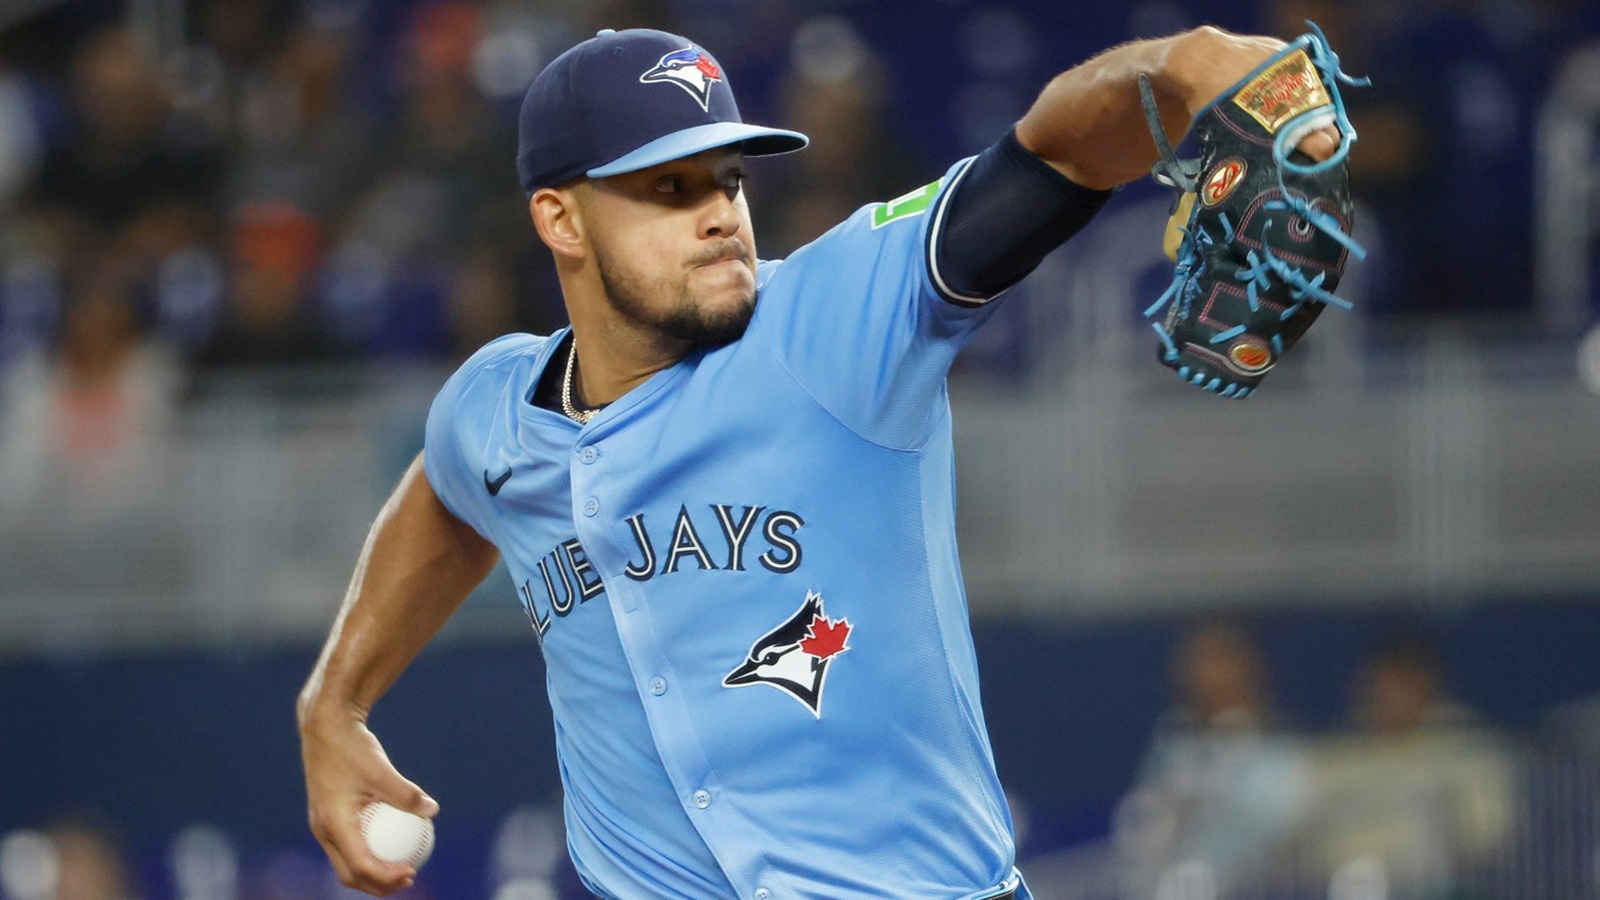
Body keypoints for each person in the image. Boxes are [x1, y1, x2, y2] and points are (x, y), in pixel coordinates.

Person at [296, 26, 1346, 900]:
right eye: (667, 188)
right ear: (558, 217)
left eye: (728, 177)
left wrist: (1196, 63)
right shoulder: (495, 403)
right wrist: (335, 704)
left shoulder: (834, 316)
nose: (718, 212)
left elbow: (1057, 154)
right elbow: (445, 495)